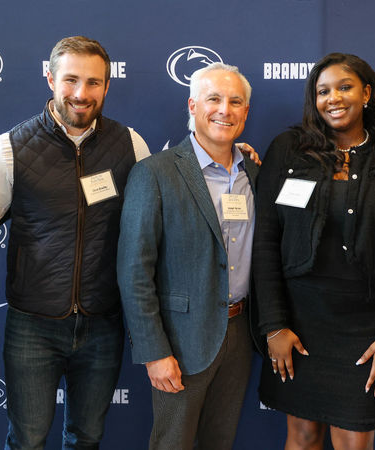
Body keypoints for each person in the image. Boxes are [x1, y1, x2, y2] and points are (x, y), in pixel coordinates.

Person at [0, 36, 150, 449]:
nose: (81, 93)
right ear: (50, 77)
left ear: (107, 87)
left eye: (94, 83)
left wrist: (230, 158)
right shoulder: (10, 150)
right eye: (71, 80)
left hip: (103, 323)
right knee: (28, 439)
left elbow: (163, 216)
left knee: (87, 437)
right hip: (32, 326)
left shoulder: (132, 146)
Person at [253, 52, 375, 449]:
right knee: (303, 435)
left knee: (354, 440)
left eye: (344, 87)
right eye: (322, 91)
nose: (333, 98)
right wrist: (274, 326)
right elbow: (265, 243)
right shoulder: (288, 148)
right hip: (298, 322)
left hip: (365, 329)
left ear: (366, 93)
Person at [117, 62, 257, 450]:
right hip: (180, 340)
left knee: (220, 441)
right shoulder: (155, 173)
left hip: (239, 333)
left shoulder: (255, 175)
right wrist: (153, 351)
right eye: (214, 99)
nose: (224, 110)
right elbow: (134, 270)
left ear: (245, 112)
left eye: (235, 102)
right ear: (192, 105)